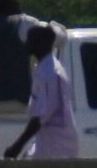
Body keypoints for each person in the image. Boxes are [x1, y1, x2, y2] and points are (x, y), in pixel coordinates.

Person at [4, 26, 78, 160]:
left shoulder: (49, 73)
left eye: (30, 40)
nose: (26, 44)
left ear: (41, 43)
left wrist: (17, 146)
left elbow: (40, 117)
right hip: (50, 143)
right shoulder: (48, 68)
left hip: (56, 147)